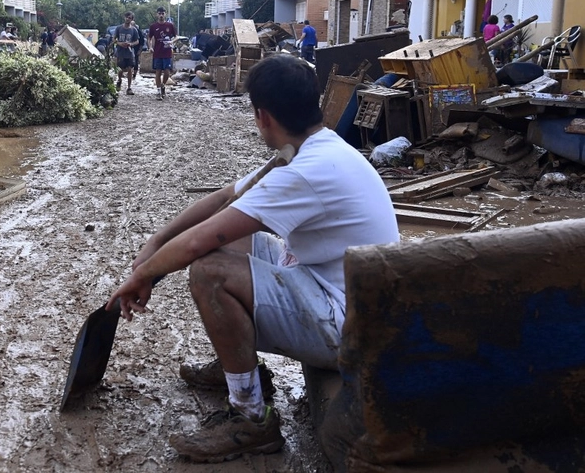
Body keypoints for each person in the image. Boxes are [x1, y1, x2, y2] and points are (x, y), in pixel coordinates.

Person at [105, 55, 400, 463]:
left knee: (209, 272)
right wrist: (155, 241)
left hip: (349, 329)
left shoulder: (305, 171)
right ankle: (243, 370)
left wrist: (143, 275)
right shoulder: (314, 148)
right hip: (341, 294)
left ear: (262, 116)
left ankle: (251, 419)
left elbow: (195, 246)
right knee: (231, 243)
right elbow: (227, 197)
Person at [148, 6, 177, 100]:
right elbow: (149, 38)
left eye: (163, 13)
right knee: (158, 71)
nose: (161, 15)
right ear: (157, 14)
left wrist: (172, 42)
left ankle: (163, 85)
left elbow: (177, 36)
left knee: (167, 71)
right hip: (157, 52)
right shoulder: (153, 26)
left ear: (165, 14)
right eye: (159, 13)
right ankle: (158, 90)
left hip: (167, 51)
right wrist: (150, 47)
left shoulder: (170, 25)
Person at [114, 11, 140, 95]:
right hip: (120, 52)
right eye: (126, 17)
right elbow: (114, 39)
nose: (127, 19)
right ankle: (119, 80)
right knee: (120, 69)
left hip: (129, 52)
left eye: (129, 18)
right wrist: (119, 43)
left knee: (130, 69)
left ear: (132, 19)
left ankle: (129, 88)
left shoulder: (133, 30)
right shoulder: (118, 28)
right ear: (124, 17)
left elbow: (137, 41)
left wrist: (131, 44)